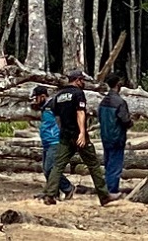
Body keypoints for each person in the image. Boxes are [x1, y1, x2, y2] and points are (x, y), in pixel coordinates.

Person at [43, 70, 119, 206]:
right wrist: (82, 133)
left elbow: (55, 115)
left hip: (65, 136)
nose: (83, 82)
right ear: (77, 80)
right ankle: (104, 195)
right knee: (93, 164)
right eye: (82, 80)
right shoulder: (78, 93)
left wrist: (63, 129)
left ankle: (49, 195)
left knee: (58, 166)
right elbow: (80, 113)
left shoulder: (59, 95)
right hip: (78, 135)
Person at [30, 86, 75, 200]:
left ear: (43, 96)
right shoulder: (44, 108)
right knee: (46, 170)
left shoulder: (53, 106)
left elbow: (61, 121)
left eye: (36, 98)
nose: (35, 101)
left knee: (51, 168)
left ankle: (67, 188)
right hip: (47, 142)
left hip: (54, 141)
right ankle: (53, 192)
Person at [98, 73, 133, 194]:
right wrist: (131, 122)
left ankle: (107, 189)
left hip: (105, 137)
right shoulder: (120, 102)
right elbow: (125, 120)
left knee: (108, 165)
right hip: (117, 137)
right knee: (115, 166)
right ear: (118, 85)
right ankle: (111, 192)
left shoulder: (103, 102)